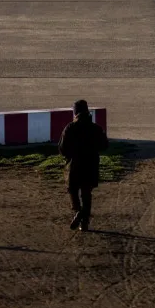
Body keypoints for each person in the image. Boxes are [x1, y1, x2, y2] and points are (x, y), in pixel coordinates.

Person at [58, 99, 109, 232]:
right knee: (86, 193)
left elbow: (62, 148)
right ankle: (84, 221)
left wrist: (69, 156)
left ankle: (78, 211)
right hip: (91, 164)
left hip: (74, 165)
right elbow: (104, 145)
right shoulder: (96, 128)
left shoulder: (70, 128)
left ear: (75, 112)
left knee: (72, 190)